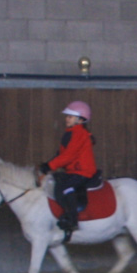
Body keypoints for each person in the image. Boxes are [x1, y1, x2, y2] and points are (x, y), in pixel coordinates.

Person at [44, 100, 101, 236]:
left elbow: (69, 156)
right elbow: (61, 154)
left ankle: (72, 219)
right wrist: (48, 164)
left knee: (65, 188)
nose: (66, 119)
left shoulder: (79, 134)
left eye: (70, 116)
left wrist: (49, 166)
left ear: (80, 120)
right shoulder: (70, 133)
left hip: (83, 171)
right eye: (67, 116)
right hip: (73, 170)